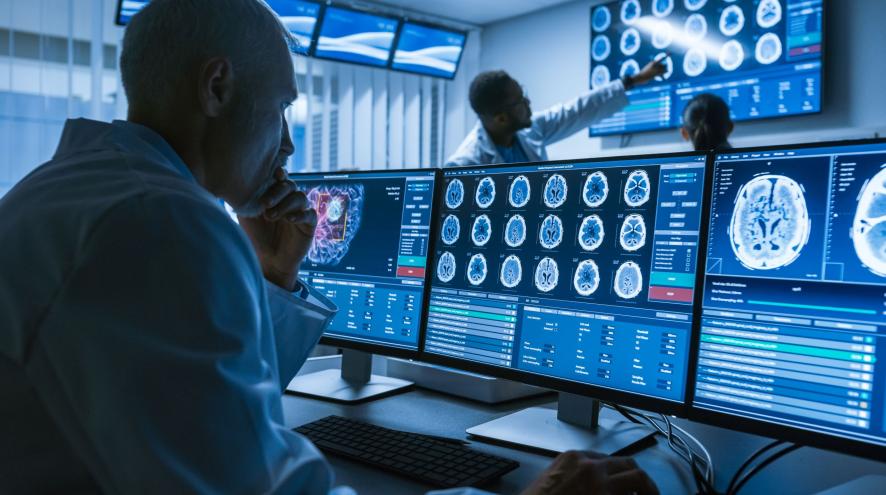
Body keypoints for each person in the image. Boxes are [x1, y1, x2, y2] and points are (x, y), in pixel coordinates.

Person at [0, 1, 658, 494]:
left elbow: (222, 406)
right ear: (217, 88)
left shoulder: (84, 190)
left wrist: (275, 276)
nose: (287, 146)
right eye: (281, 108)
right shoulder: (157, 221)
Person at [445, 60, 667, 167]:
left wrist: (634, 79)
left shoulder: (530, 130)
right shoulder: (465, 164)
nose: (528, 102)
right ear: (501, 118)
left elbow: (578, 110)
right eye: (520, 100)